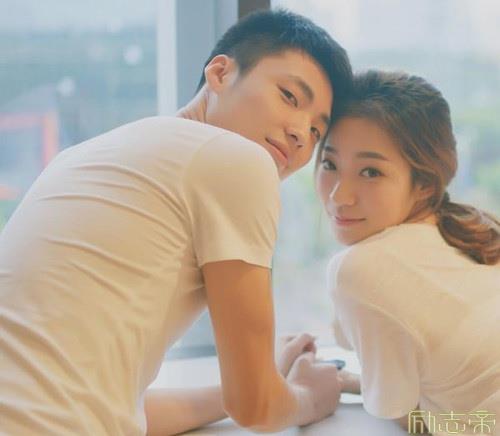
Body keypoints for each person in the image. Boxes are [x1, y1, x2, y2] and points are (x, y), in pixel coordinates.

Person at [0, 9, 353, 436]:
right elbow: (256, 408)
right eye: (289, 96)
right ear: (220, 73)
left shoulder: (88, 155)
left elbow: (113, 407)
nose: (300, 133)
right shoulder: (239, 160)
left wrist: (258, 380)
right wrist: (309, 397)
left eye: (316, 131)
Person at [316, 70, 500, 435]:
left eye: (370, 172)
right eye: (330, 164)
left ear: (424, 184)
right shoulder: (468, 231)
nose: (339, 196)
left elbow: (411, 419)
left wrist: (331, 387)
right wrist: (355, 381)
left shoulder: (360, 269)